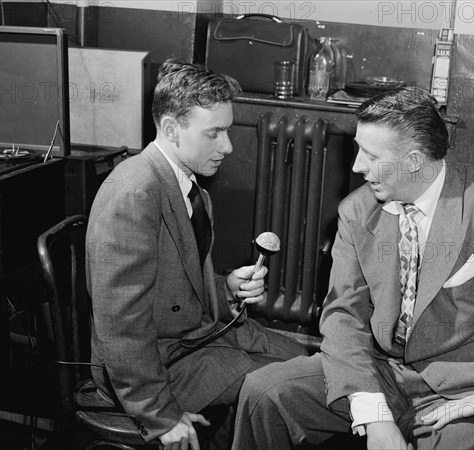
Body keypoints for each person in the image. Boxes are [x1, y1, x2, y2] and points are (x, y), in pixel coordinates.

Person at [232, 87, 474, 449]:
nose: (357, 166)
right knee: (264, 394)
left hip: (464, 389)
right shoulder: (357, 211)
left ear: (413, 160)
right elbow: (342, 314)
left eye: (371, 155)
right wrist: (374, 412)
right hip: (382, 370)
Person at [85, 61, 307, 449]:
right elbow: (121, 325)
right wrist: (160, 414)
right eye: (215, 133)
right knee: (291, 389)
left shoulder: (190, 187)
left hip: (190, 341)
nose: (228, 146)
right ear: (172, 128)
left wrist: (226, 289)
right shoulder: (135, 194)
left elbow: (177, 287)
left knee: (305, 360)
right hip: (153, 368)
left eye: (228, 131)